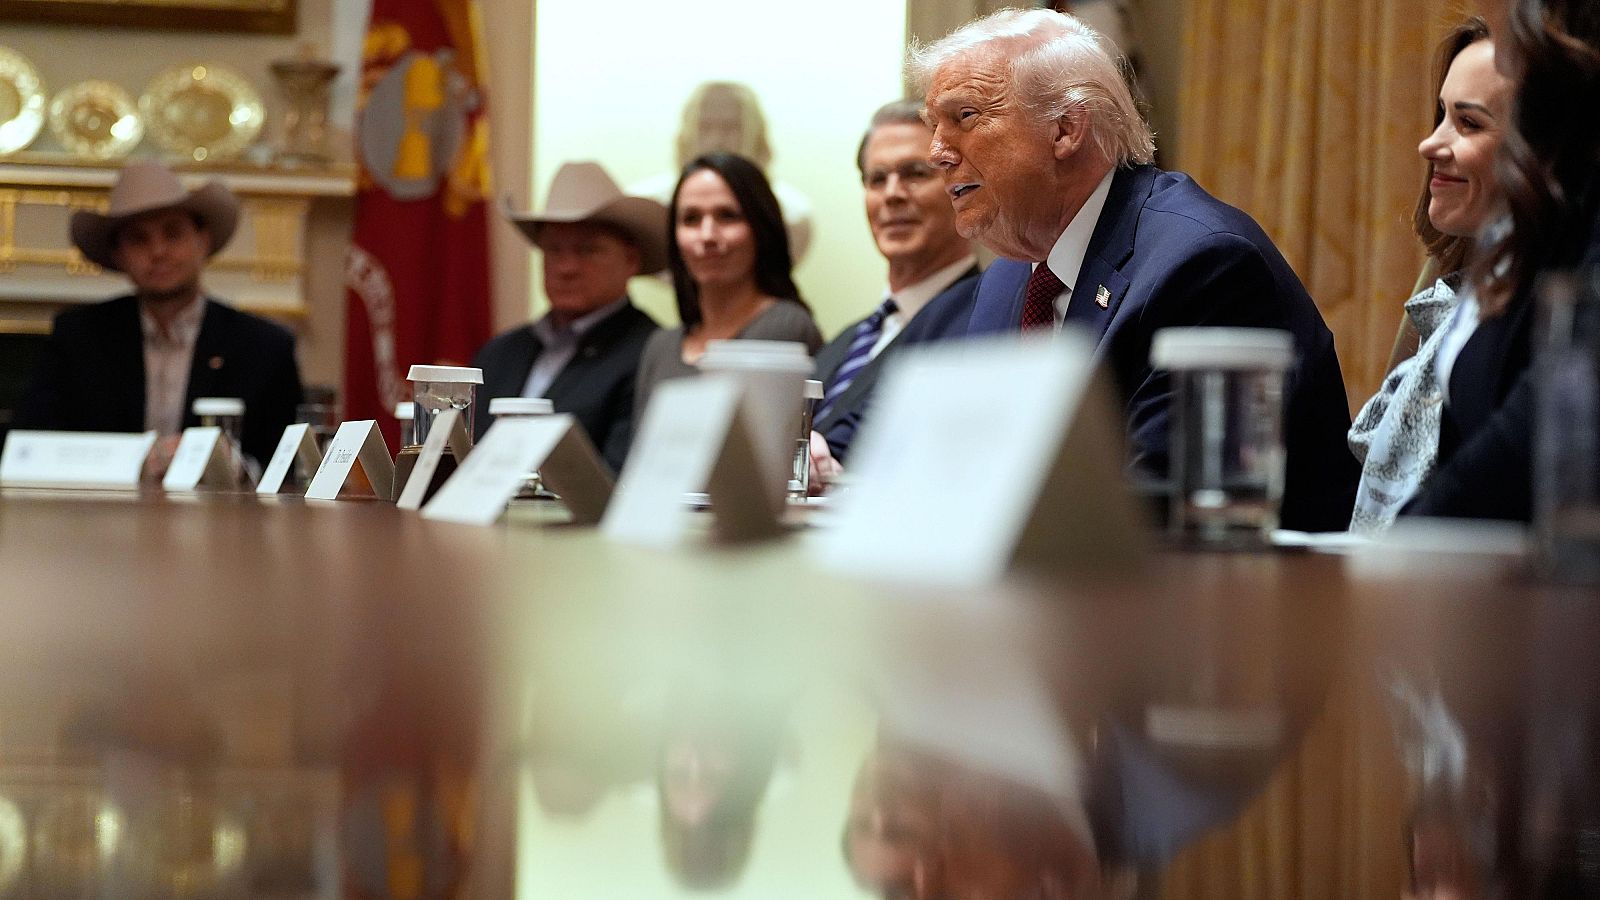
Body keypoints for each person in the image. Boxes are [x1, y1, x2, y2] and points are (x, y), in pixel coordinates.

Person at [879, 8, 1358, 532]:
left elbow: (1154, 510)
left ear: (1066, 128)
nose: (937, 154)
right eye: (934, 128)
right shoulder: (1007, 280)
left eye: (964, 118)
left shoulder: (1204, 265)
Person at [1403, 0, 1600, 521]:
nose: (1430, 144)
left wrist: (1402, 549)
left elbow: (1533, 432)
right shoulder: (1485, 264)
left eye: (1469, 122)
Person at [14, 161, 302, 470]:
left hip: (222, 515)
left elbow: (286, 466)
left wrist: (234, 469)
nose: (158, 251)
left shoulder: (263, 346)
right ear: (118, 255)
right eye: (139, 239)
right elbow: (30, 443)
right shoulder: (79, 337)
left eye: (173, 233)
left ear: (202, 241)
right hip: (104, 514)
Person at [1347, 20, 1510, 532]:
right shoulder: (1445, 285)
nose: (1429, 144)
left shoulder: (1541, 306)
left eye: (1470, 123)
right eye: (1441, 115)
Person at [810, 101, 982, 470]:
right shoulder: (843, 343)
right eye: (877, 179)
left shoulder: (989, 319)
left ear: (959, 184)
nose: (892, 194)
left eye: (915, 173)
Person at [474, 162, 663, 473]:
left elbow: (620, 481)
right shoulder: (499, 353)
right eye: (554, 250)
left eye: (587, 250)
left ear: (631, 260)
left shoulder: (649, 354)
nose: (567, 267)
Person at [632, 152, 823, 432]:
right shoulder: (660, 346)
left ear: (761, 228)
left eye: (727, 216)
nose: (707, 235)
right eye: (691, 219)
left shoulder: (786, 326)